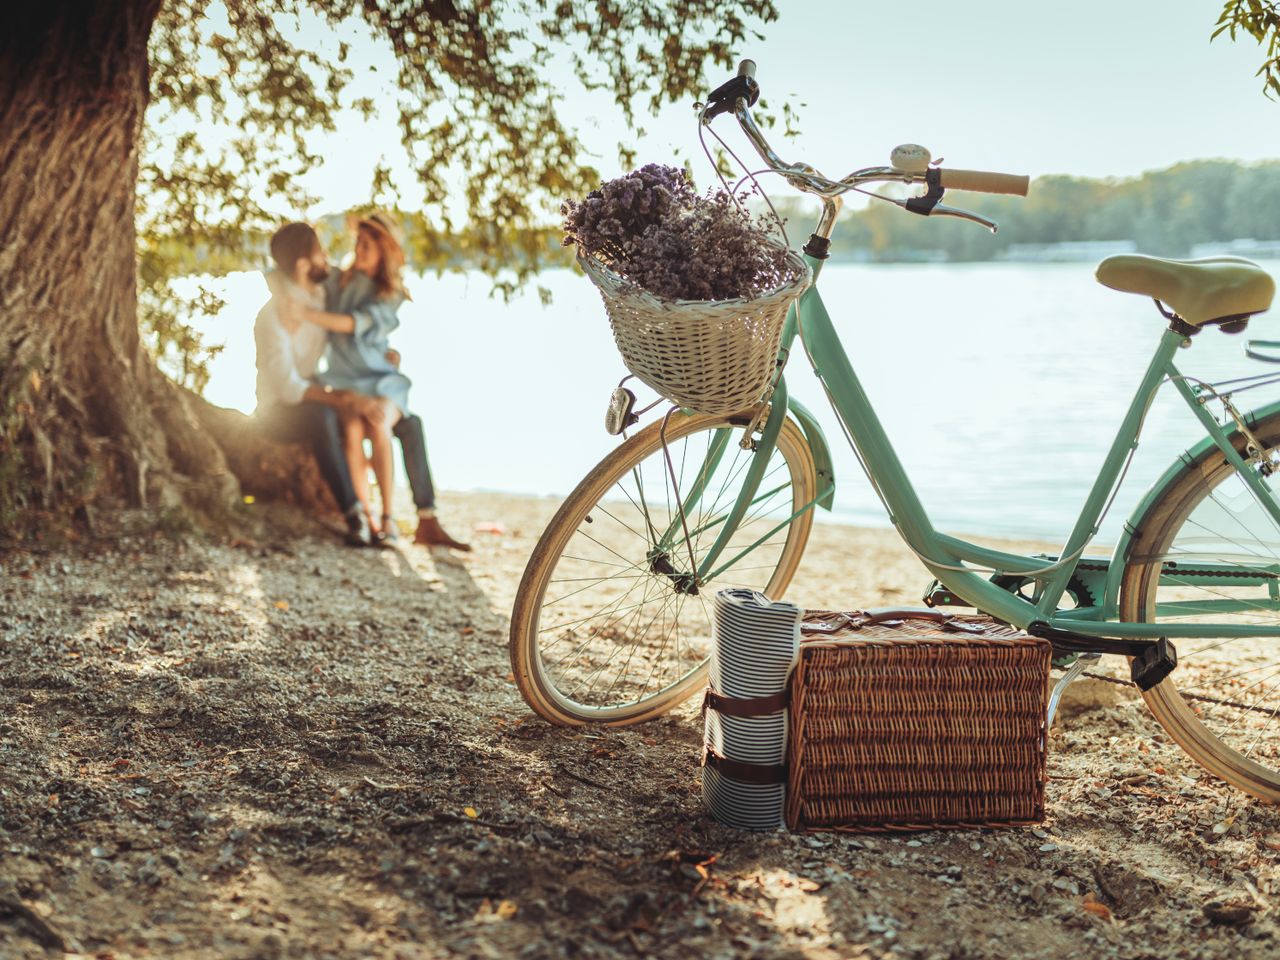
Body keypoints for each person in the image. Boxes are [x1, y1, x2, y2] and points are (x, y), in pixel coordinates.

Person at [281, 213, 471, 551]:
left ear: (384, 251)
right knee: (353, 432)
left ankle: (390, 518)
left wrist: (306, 315)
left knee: (382, 423)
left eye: (368, 245)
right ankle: (366, 518)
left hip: (381, 382)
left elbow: (354, 324)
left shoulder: (389, 292)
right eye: (358, 242)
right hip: (344, 380)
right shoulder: (338, 279)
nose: (360, 249)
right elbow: (300, 277)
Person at [253, 222, 378, 547]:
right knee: (324, 416)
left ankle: (376, 512)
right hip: (275, 411)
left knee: (364, 412)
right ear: (303, 265)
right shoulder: (272, 317)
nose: (327, 258)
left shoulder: (320, 295)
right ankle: (353, 514)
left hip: (313, 389)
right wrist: (338, 399)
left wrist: (381, 353)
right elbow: (287, 389)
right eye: (320, 252)